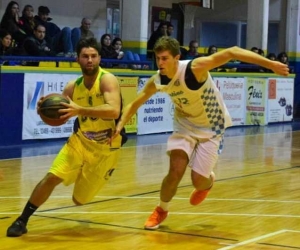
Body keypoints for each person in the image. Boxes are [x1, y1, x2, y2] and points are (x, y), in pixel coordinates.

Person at [112, 36, 289, 230]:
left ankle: (208, 182)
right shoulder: (158, 80)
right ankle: (161, 210)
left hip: (212, 126)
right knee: (175, 171)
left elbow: (233, 52)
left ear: (176, 58)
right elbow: (134, 103)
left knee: (198, 181)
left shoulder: (194, 68)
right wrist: (120, 125)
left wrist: (270, 64)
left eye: (164, 58)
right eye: (158, 58)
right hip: (185, 125)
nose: (160, 63)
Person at [6, 37, 127, 237]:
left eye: (94, 56)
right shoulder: (72, 87)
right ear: (77, 60)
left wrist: (79, 109)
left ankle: (82, 173)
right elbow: (59, 111)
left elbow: (113, 110)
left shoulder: (107, 80)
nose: (90, 60)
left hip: (107, 148)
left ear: (99, 59)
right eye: (85, 56)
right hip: (80, 142)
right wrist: (43, 109)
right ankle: (22, 220)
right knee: (52, 176)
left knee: (79, 200)